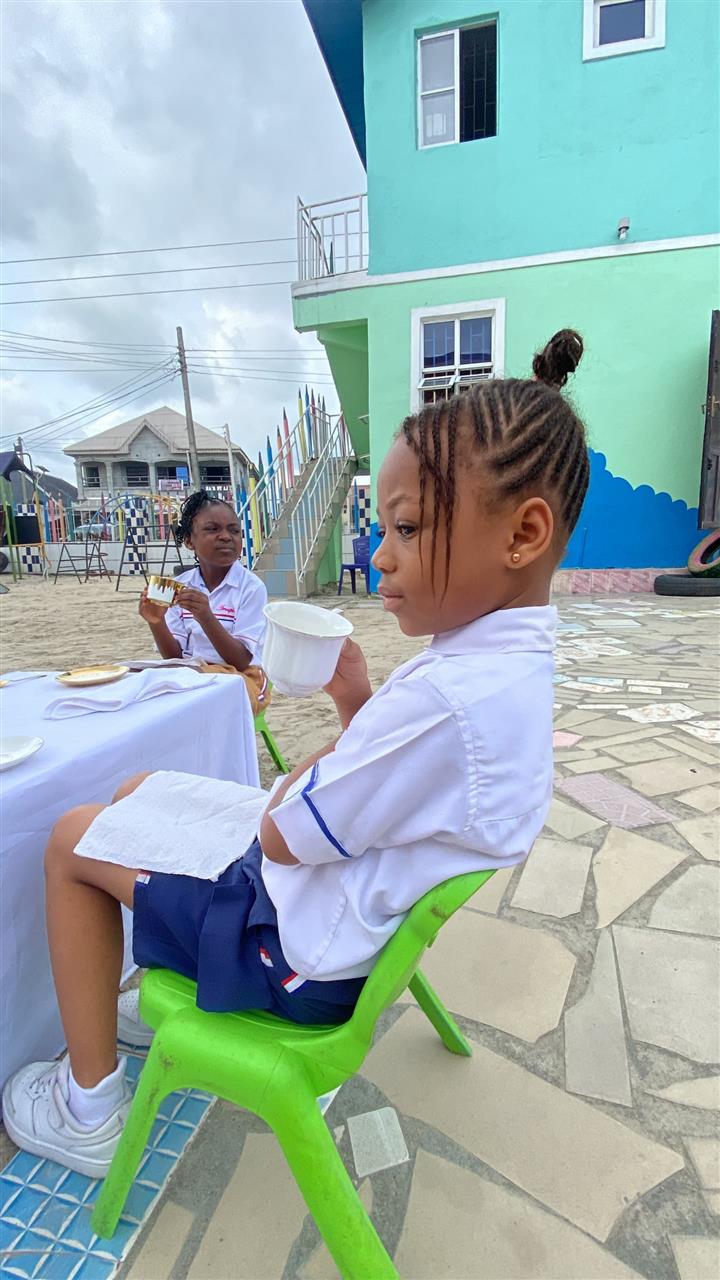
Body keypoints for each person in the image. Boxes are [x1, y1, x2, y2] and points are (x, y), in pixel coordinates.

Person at [2, 331, 589, 1177]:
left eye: (408, 527)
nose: (380, 554)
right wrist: (353, 702)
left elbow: (284, 837)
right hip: (330, 909)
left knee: (70, 840)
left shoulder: (443, 700)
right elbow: (397, 785)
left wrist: (308, 771)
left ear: (522, 534)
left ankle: (87, 1107)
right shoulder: (503, 669)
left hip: (288, 950)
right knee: (135, 789)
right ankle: (149, 979)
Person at [138, 489, 269, 710]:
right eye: (212, 529)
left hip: (241, 677)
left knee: (208, 698)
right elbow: (174, 657)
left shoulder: (251, 588)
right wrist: (156, 622)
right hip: (193, 672)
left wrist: (206, 617)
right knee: (143, 687)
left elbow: (242, 660)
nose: (226, 536)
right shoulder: (180, 586)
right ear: (189, 541)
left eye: (234, 530)